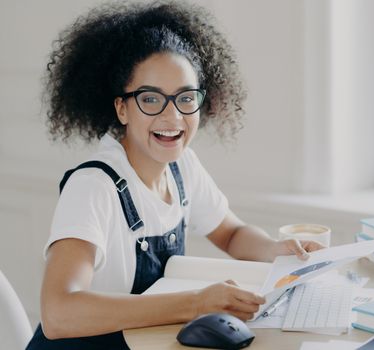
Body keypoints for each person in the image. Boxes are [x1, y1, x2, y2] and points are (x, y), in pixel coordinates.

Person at [26, 1, 324, 349]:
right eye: (151, 99)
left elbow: (232, 234)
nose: (172, 117)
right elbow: (58, 313)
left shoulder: (183, 168)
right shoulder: (93, 186)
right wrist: (195, 303)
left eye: (185, 98)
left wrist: (276, 249)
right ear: (121, 108)